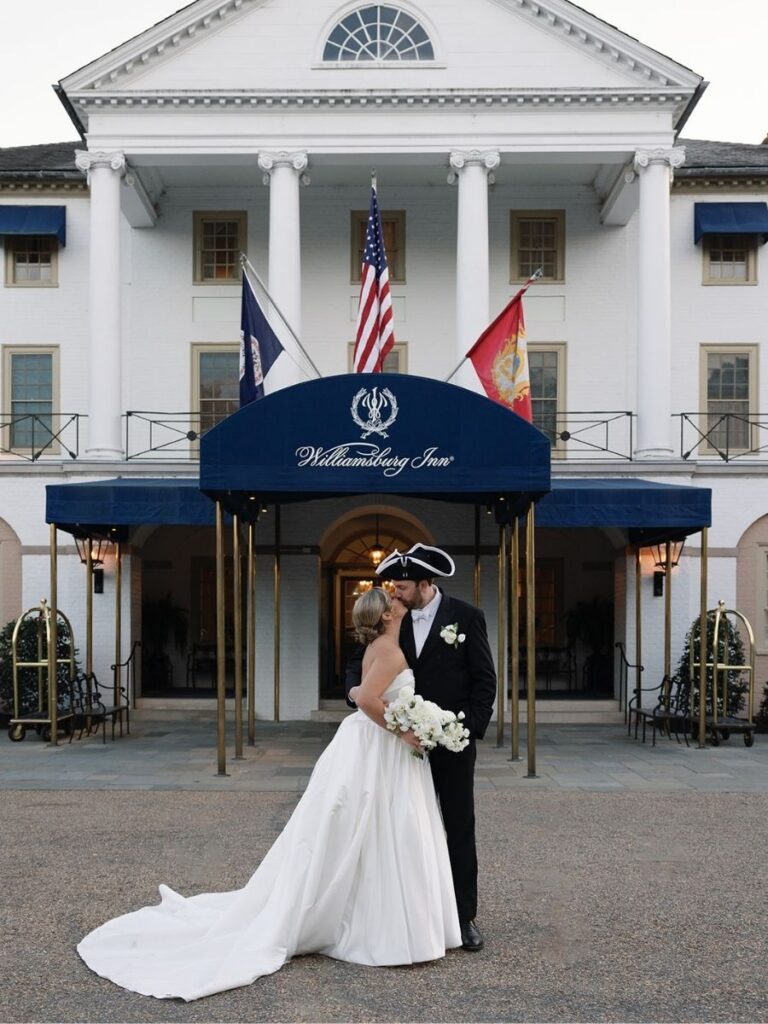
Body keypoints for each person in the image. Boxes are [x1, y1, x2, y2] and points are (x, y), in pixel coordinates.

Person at [77, 587, 461, 1002]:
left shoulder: (382, 647)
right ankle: (385, 926)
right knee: (386, 827)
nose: (400, 600)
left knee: (374, 829)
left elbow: (367, 694)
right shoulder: (388, 652)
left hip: (373, 749)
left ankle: (379, 915)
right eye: (394, 600)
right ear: (386, 615)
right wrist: (404, 729)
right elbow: (366, 698)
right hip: (380, 749)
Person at [347, 543, 496, 952]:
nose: (395, 591)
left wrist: (465, 733)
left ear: (426, 583)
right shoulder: (392, 619)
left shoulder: (466, 617)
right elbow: (359, 663)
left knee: (457, 826)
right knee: (408, 828)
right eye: (394, 584)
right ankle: (417, 913)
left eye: (403, 584)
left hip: (450, 741)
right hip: (400, 747)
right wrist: (358, 697)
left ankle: (463, 917)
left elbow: (484, 681)